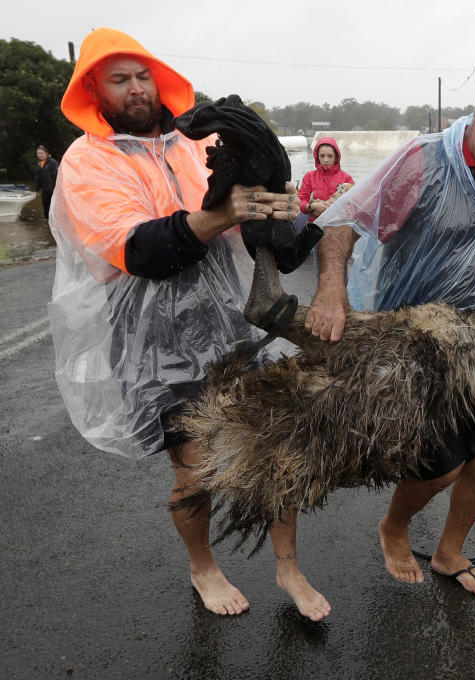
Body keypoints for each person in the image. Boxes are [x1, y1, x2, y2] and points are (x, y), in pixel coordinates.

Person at [47, 28, 329, 620]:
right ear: (94, 88)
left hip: (232, 323)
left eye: (142, 75)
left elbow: (244, 222)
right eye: (118, 79)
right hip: (152, 341)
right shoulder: (87, 161)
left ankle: (288, 567)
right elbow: (140, 252)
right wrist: (222, 211)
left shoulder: (195, 142)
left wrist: (280, 215)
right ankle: (204, 566)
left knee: (278, 447)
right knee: (197, 471)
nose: (135, 89)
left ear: (159, 77)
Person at [306, 80, 475, 597]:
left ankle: (448, 551)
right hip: (415, 339)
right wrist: (330, 288)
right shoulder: (423, 162)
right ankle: (393, 527)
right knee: (440, 466)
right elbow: (347, 219)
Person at [298, 137, 354, 219]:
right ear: (317, 157)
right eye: (322, 156)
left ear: (336, 157)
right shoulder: (309, 176)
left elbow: (354, 203)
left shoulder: (346, 177)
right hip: (314, 225)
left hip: (338, 223)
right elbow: (301, 201)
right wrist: (312, 206)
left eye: (330, 156)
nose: (326, 160)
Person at [35, 145, 59, 218]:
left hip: (53, 190)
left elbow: (59, 176)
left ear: (46, 153)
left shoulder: (53, 163)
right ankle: (48, 222)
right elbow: (37, 177)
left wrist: (57, 189)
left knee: (52, 207)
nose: (40, 155)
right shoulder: (39, 164)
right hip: (45, 190)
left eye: (41, 153)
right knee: (45, 206)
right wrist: (37, 189)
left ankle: (53, 223)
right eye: (38, 153)